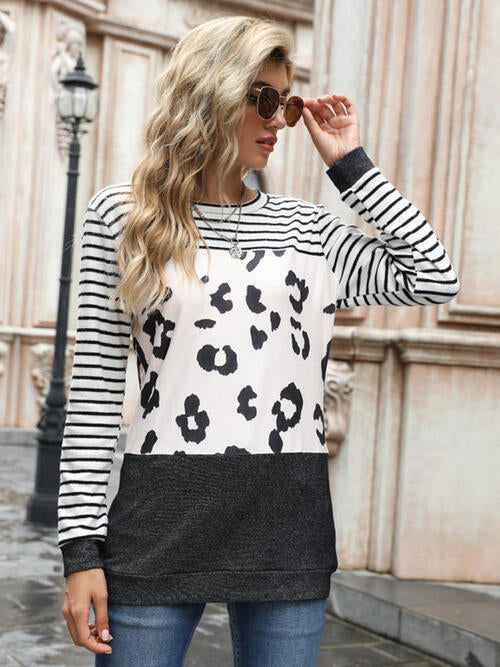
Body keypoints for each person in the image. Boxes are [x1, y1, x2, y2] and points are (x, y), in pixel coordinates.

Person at [57, 15, 460, 667]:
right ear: (211, 93)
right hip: (159, 521)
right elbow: (95, 396)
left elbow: (434, 276)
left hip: (287, 523)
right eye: (264, 98)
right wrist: (80, 551)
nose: (280, 120)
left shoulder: (309, 231)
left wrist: (350, 164)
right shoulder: (125, 217)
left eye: (287, 103)